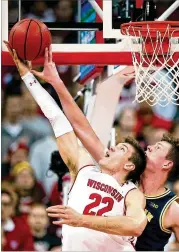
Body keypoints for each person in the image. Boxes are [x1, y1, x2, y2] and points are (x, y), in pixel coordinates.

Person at [15, 44, 179, 251]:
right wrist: (45, 81)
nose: (149, 148)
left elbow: (136, 225)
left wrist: (81, 219)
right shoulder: (97, 169)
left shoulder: (160, 203)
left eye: (156, 149)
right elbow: (73, 124)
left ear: (167, 163)